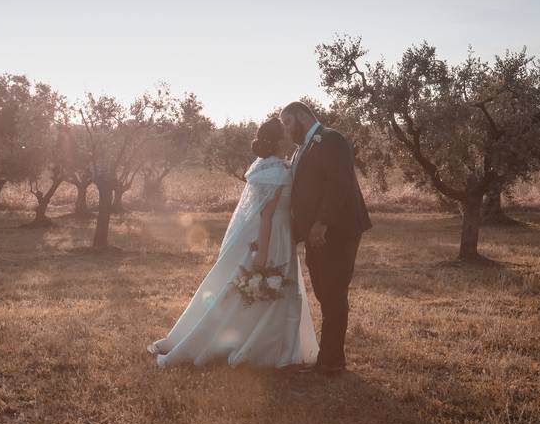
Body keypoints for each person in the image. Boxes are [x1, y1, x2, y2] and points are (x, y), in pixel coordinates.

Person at [148, 117, 319, 368]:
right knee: (270, 287)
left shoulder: (266, 166)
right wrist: (262, 254)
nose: (291, 132)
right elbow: (267, 215)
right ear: (279, 140)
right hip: (273, 236)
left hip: (273, 233)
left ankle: (266, 341)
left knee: (249, 289)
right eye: (286, 130)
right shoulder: (278, 173)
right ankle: (266, 347)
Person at [279, 101, 372, 374]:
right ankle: (330, 357)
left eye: (287, 124)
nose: (286, 131)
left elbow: (339, 183)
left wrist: (322, 223)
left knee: (333, 291)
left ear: (300, 116)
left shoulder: (332, 139)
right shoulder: (303, 149)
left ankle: (331, 362)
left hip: (338, 230)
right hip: (315, 234)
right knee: (323, 290)